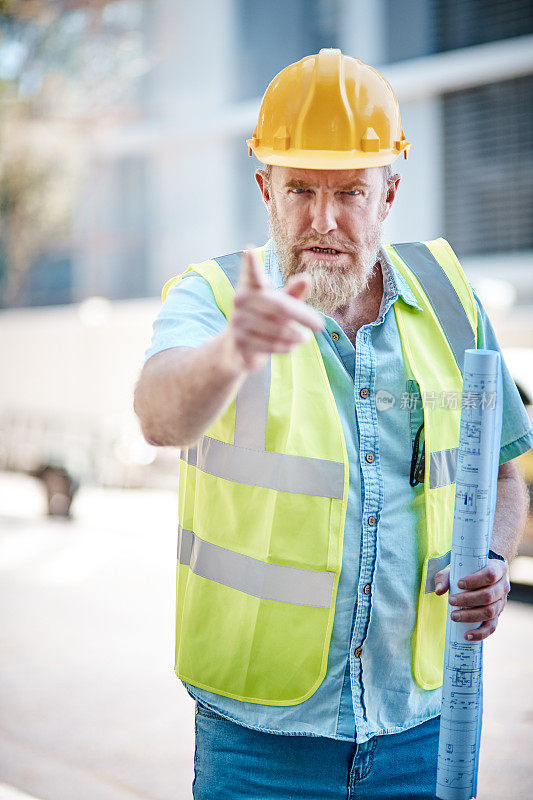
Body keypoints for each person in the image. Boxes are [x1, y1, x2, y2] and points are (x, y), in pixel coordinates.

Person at [134, 50, 533, 800]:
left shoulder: (451, 300)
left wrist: (493, 554)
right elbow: (157, 414)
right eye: (300, 190)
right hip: (260, 745)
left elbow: (504, 472)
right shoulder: (216, 299)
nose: (323, 219)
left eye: (349, 190)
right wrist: (230, 353)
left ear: (389, 193)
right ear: (265, 189)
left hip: (424, 726)